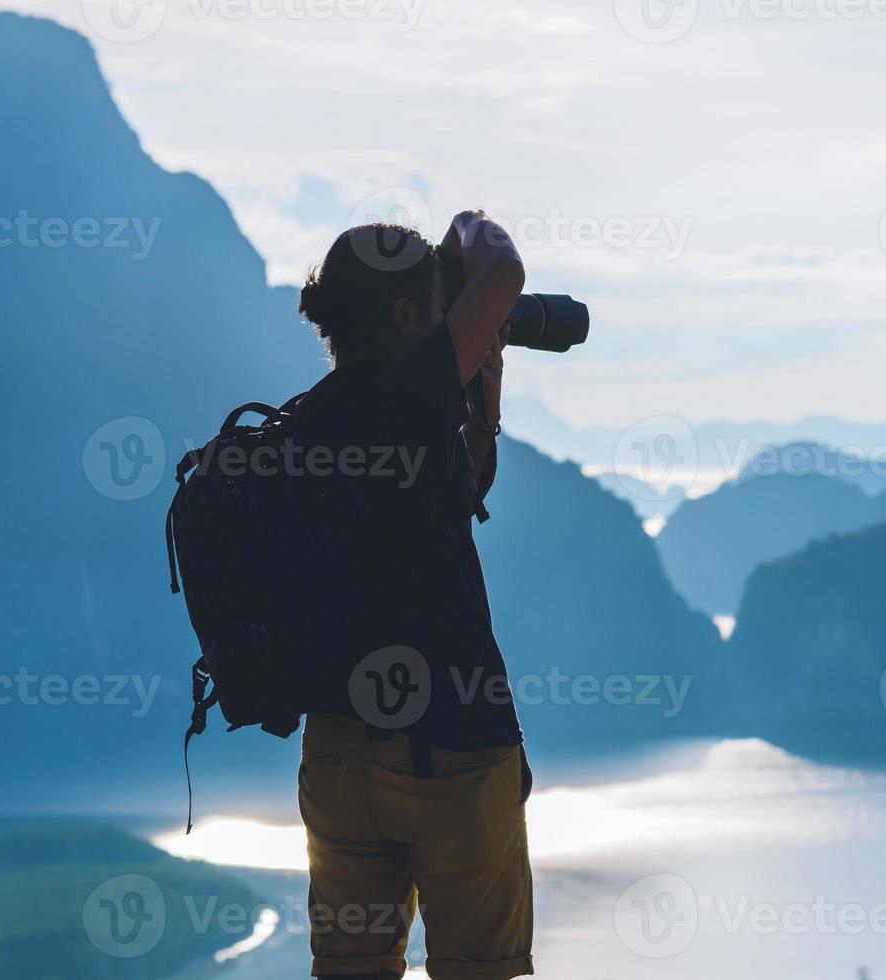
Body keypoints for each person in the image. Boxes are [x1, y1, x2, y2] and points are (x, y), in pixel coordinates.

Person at [292, 211, 533, 980]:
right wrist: (469, 231)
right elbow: (503, 275)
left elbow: (454, 492)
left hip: (337, 756)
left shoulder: (305, 426)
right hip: (451, 749)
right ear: (404, 319)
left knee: (350, 968)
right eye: (437, 307)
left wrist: (482, 388)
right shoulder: (405, 398)